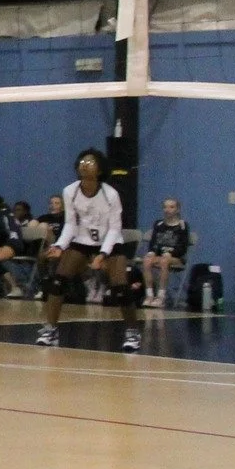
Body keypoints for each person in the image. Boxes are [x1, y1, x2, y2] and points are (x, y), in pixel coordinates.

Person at [38, 148, 137, 351]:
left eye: (90, 162)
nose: (85, 164)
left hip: (109, 241)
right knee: (57, 281)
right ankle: (51, 329)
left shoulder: (110, 194)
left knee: (120, 288)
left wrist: (103, 254)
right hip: (82, 240)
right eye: (82, 161)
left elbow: (115, 228)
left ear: (100, 170)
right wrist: (59, 246)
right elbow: (70, 225)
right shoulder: (70, 191)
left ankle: (132, 331)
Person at [141, 198, 191, 308]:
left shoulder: (182, 226)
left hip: (175, 257)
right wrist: (152, 252)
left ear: (177, 209)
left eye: (171, 207)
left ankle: (161, 296)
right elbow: (153, 243)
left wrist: (171, 253)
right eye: (165, 207)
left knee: (164, 261)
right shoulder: (158, 224)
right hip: (160, 255)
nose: (167, 210)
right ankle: (149, 295)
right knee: (147, 260)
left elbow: (183, 247)